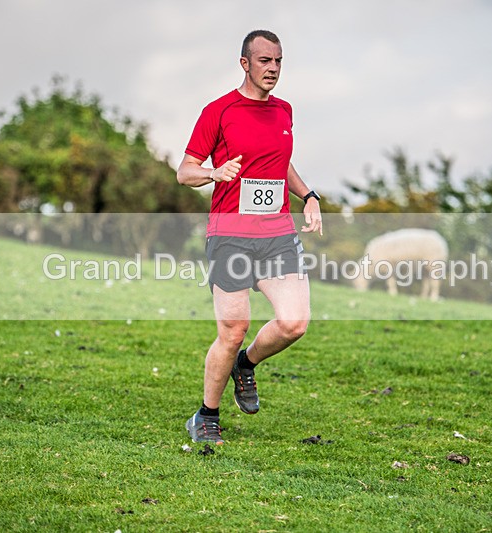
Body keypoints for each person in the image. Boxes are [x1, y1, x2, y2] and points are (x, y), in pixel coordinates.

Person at [176, 29, 322, 445]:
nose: (273, 68)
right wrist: (212, 173)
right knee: (233, 327)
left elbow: (281, 165)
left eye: (278, 61)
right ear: (245, 63)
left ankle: (247, 364)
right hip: (230, 235)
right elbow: (184, 170)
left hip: (277, 234)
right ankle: (206, 416)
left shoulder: (284, 112)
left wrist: (308, 196)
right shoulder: (218, 111)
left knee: (294, 323)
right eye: (264, 61)